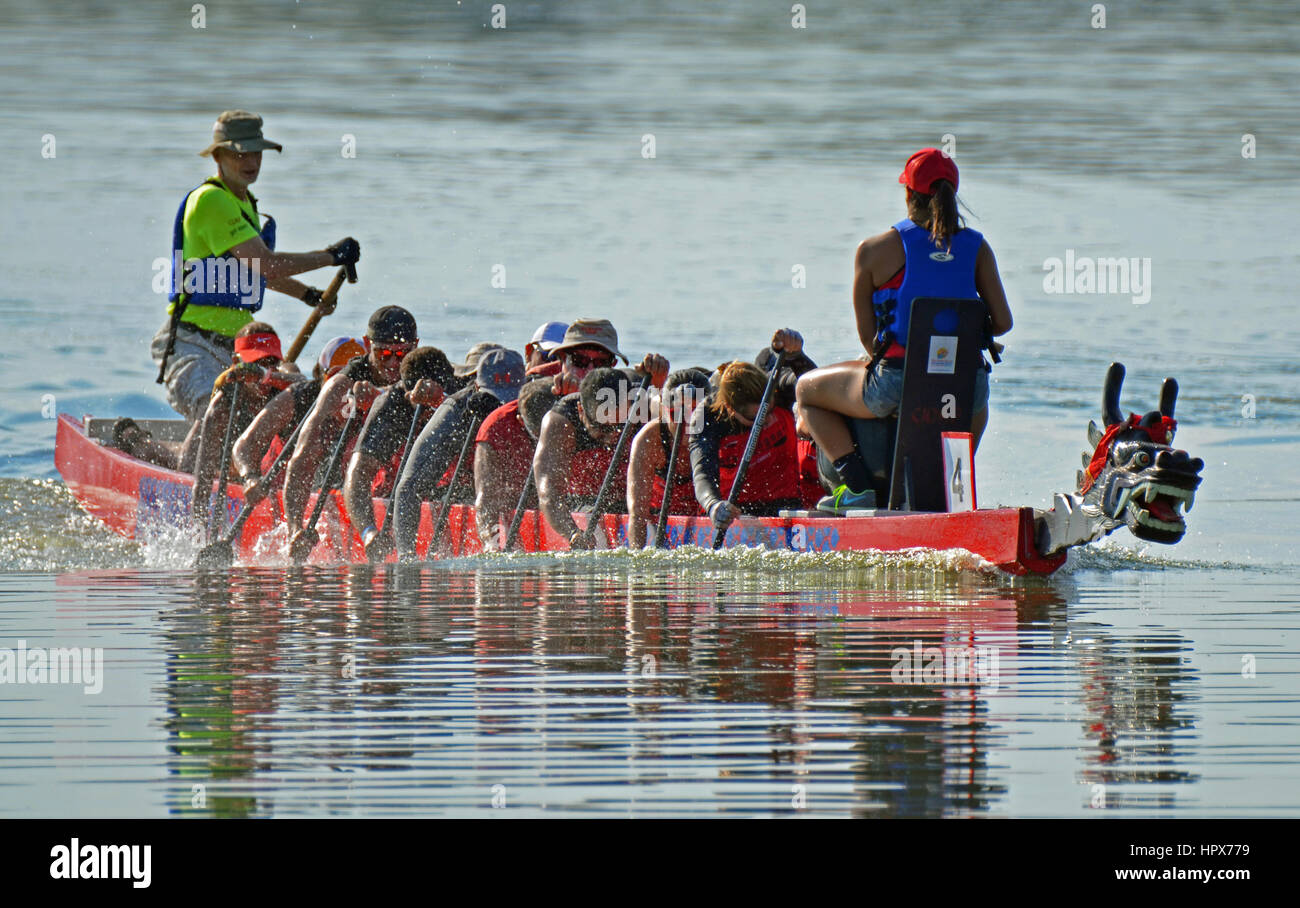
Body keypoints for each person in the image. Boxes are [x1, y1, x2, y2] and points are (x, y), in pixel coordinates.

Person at [795, 148, 1013, 512]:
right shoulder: (978, 248)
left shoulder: (873, 250)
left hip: (897, 385)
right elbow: (1003, 323)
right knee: (979, 404)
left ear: (909, 195)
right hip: (965, 388)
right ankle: (951, 492)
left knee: (806, 391)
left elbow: (869, 339)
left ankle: (858, 487)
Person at [151, 110, 362, 422]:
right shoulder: (211, 201)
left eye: (257, 153)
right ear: (218, 155)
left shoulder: (246, 204)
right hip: (191, 345)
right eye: (240, 153)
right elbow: (266, 266)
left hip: (242, 349)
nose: (251, 162)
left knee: (281, 417)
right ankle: (138, 443)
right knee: (219, 419)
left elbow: (252, 271)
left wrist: (307, 296)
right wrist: (330, 256)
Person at [283, 306, 417, 547]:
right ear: (367, 344)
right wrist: (296, 529)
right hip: (345, 469)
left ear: (416, 345)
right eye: (384, 353)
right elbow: (302, 458)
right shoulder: (341, 386)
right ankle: (367, 529)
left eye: (403, 354)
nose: (394, 363)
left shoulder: (424, 369)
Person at [392, 347, 526, 560]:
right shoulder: (456, 409)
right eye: (496, 399)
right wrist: (407, 559)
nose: (501, 407)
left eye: (510, 399)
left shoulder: (533, 402)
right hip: (465, 490)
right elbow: (408, 488)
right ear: (476, 387)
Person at [534, 349, 669, 551]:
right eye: (603, 428)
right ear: (581, 412)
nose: (613, 436)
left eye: (621, 426)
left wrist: (661, 383)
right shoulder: (560, 422)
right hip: (585, 505)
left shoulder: (645, 406)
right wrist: (572, 533)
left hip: (638, 501)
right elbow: (548, 493)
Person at [345, 347, 456, 561]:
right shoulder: (391, 405)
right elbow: (358, 475)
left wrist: (440, 400)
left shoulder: (459, 394)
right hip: (396, 491)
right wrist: (368, 532)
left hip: (450, 489)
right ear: (409, 393)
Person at [187, 322, 301, 526]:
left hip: (264, 468)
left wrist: (264, 375)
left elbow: (304, 383)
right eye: (257, 363)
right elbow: (202, 482)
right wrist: (199, 530)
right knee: (183, 462)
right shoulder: (223, 403)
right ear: (236, 362)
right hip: (227, 468)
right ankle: (135, 439)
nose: (266, 370)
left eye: (271, 362)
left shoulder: (285, 377)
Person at [232, 336, 365, 508]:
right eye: (337, 378)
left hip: (338, 493)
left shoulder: (373, 402)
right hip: (276, 492)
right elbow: (244, 445)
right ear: (324, 378)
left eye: (358, 380)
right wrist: (249, 477)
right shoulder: (300, 398)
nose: (348, 389)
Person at [690, 361, 803, 534]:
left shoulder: (778, 384)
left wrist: (797, 355)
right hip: (735, 512)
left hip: (786, 503)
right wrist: (713, 505)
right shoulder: (706, 416)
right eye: (755, 418)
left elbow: (813, 383)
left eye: (770, 410)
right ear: (730, 408)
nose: (766, 421)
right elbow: (702, 473)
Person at [626, 369, 711, 548]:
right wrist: (637, 563)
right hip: (657, 517)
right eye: (677, 414)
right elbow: (637, 514)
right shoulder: (649, 438)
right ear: (664, 411)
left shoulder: (719, 431)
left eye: (696, 413)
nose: (688, 423)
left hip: (707, 517)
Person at [473, 377, 560, 550]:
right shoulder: (495, 427)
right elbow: (485, 501)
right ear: (521, 421)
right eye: (538, 435)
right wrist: (492, 546)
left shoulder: (567, 415)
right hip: (514, 499)